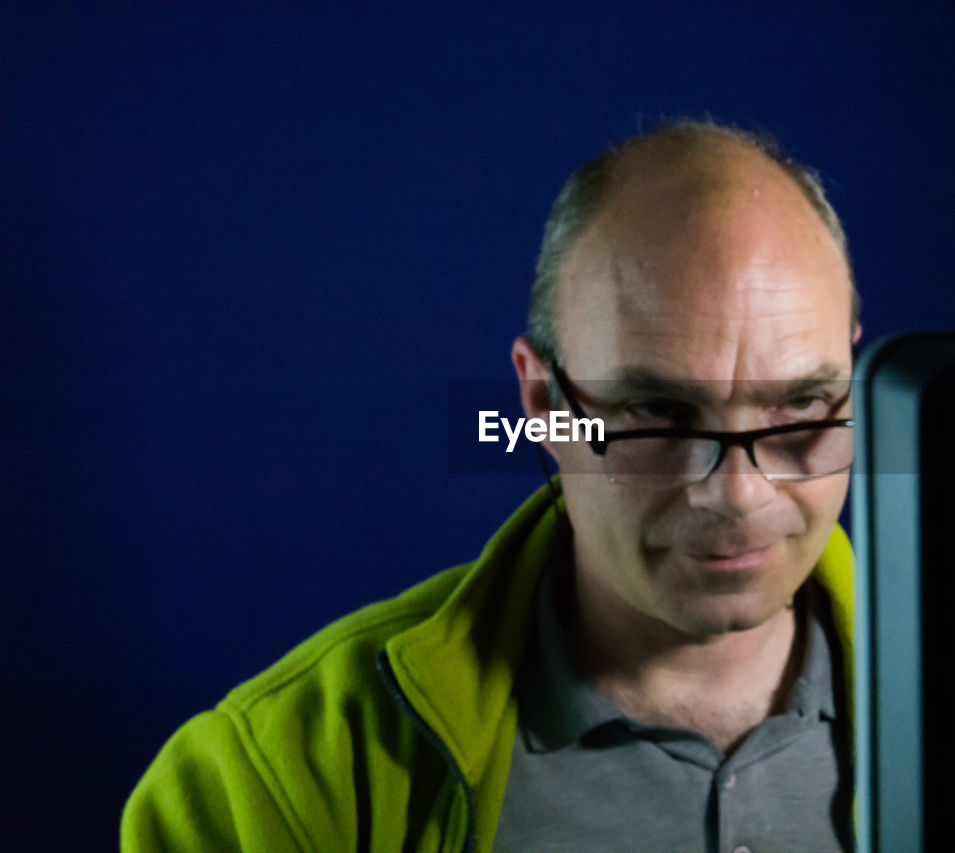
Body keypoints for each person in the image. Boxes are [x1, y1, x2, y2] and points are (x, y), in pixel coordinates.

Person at [122, 119, 862, 852]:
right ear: (542, 404)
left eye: (799, 405)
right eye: (656, 413)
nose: (738, 492)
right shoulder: (274, 783)